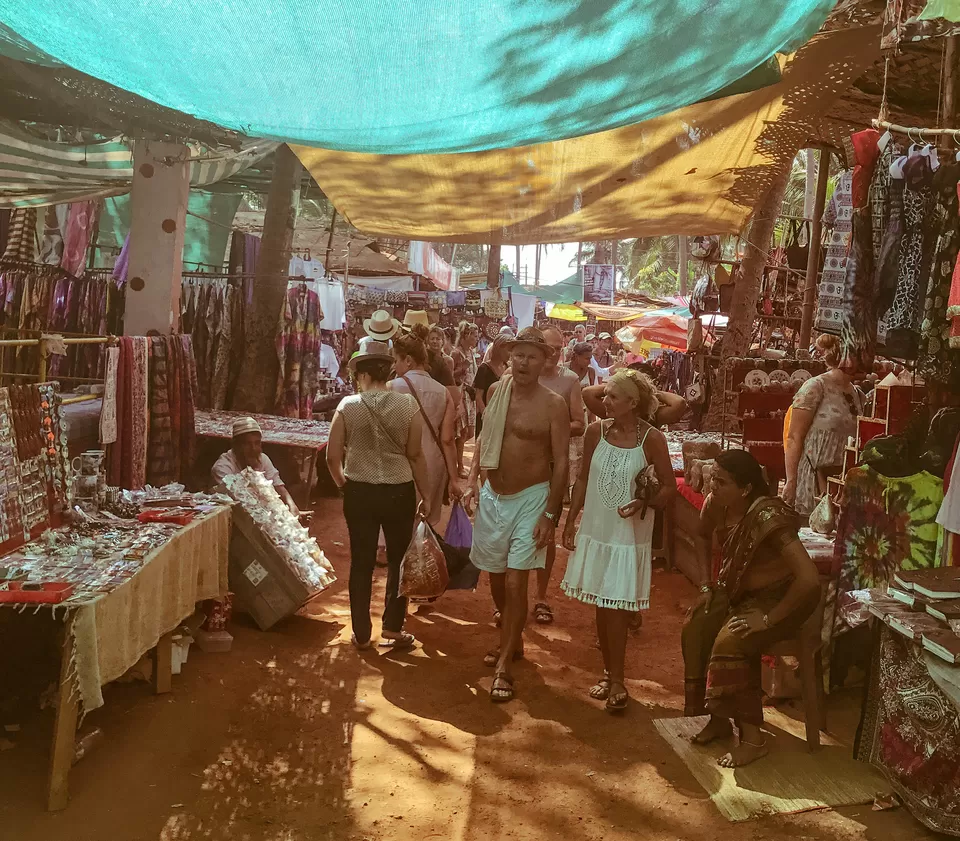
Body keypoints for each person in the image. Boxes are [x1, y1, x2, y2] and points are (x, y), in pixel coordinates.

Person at [681, 450, 821, 767]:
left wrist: (768, 619)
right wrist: (706, 586)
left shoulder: (768, 516)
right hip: (740, 593)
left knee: (730, 641)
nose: (712, 486)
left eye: (721, 481)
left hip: (786, 600)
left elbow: (809, 579)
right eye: (712, 478)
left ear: (745, 489)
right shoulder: (717, 503)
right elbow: (701, 535)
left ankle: (753, 739)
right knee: (697, 625)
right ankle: (717, 719)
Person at [463, 327, 569, 702]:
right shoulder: (495, 391)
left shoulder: (554, 404)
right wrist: (473, 479)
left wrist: (550, 515)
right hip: (493, 496)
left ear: (546, 361)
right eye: (518, 354)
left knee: (515, 582)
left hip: (531, 499)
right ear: (509, 357)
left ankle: (505, 662)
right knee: (494, 578)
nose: (523, 362)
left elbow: (560, 467)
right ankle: (513, 637)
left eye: (532, 356)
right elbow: (486, 439)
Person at [561, 371, 676, 712]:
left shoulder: (652, 438)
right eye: (606, 395)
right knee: (602, 602)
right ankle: (610, 674)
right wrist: (570, 521)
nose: (604, 401)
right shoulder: (597, 431)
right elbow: (582, 480)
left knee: (616, 606)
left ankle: (617, 679)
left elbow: (668, 488)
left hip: (629, 534)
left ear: (633, 403)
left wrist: (645, 501)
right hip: (598, 530)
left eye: (613, 397)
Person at [325, 341, 431, 651]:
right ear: (388, 372)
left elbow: (332, 457)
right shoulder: (408, 406)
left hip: (359, 491)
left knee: (362, 562)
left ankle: (360, 632)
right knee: (398, 560)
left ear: (361, 375)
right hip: (399, 492)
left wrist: (345, 486)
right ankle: (393, 628)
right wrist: (426, 493)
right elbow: (415, 455)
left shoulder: (348, 406)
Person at [533, 325, 586, 625]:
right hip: (518, 466)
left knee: (547, 530)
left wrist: (552, 429)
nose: (552, 353)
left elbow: (579, 421)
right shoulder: (518, 377)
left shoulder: (569, 380)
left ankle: (541, 596)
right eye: (547, 347)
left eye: (557, 348)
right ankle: (507, 600)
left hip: (553, 466)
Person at [390, 326, 464, 526]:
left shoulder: (391, 388)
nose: (394, 366)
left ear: (408, 360)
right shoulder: (443, 392)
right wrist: (454, 479)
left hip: (398, 462)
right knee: (425, 524)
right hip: (433, 462)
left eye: (396, 360)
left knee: (396, 523)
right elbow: (447, 440)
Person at [783, 334, 862, 515]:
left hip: (842, 482)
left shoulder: (857, 393)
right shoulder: (815, 387)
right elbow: (794, 436)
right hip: (814, 479)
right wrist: (791, 480)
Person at [211, 417, 301, 516]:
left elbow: (278, 485)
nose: (253, 449)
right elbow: (239, 499)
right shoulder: (223, 467)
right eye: (247, 444)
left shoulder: (263, 459)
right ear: (236, 445)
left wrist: (292, 506)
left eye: (257, 443)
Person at [451, 321, 480, 478]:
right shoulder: (456, 353)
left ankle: (457, 462)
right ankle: (459, 465)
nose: (476, 338)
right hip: (461, 395)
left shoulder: (470, 352)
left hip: (471, 396)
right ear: (466, 335)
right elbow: (451, 376)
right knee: (462, 433)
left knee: (469, 432)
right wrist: (463, 367)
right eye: (474, 335)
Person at [474, 333, 511, 438]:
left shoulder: (508, 367)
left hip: (502, 417)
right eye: (507, 350)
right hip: (487, 416)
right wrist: (486, 415)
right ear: (499, 348)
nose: (510, 353)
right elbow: (478, 396)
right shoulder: (484, 368)